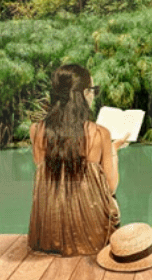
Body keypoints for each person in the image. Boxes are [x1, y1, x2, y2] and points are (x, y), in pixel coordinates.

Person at [28, 64, 130, 256]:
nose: (94, 95)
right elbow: (111, 186)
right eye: (94, 90)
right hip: (92, 236)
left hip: (48, 235)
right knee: (113, 200)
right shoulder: (100, 133)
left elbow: (50, 175)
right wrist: (113, 150)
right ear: (85, 93)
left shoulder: (36, 130)